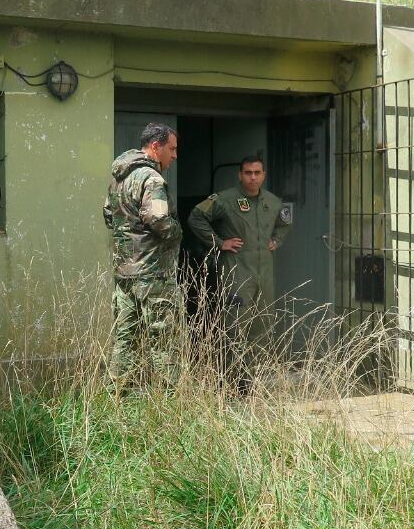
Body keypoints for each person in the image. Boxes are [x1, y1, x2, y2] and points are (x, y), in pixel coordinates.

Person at [187, 156, 292, 365]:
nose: (253, 178)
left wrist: (277, 240)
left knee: (263, 323)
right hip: (237, 270)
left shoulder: (272, 201)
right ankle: (232, 377)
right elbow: (196, 218)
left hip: (264, 272)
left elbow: (285, 221)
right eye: (248, 173)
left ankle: (256, 375)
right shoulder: (225, 199)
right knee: (235, 324)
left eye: (257, 173)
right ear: (240, 175)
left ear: (263, 175)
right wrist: (219, 242)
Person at [102, 123, 183, 390]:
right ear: (156, 147)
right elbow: (158, 219)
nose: (174, 155)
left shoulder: (119, 178)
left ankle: (117, 396)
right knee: (164, 339)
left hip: (125, 273)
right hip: (153, 274)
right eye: (172, 149)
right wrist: (177, 232)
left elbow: (108, 216)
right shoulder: (151, 178)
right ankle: (170, 400)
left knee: (125, 339)